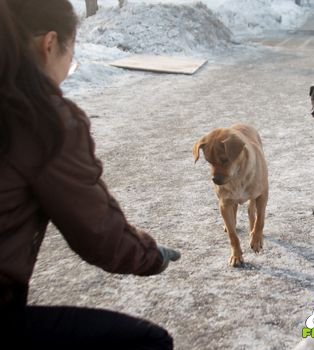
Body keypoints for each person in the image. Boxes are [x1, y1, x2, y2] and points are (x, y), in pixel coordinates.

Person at [0, 0, 180, 348]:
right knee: (148, 342)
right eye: (72, 54)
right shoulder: (42, 119)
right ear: (49, 45)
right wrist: (150, 254)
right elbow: (98, 234)